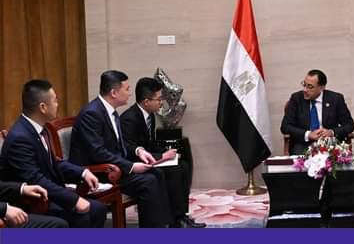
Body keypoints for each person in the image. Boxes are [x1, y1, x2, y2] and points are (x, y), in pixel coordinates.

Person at [70, 70, 172, 228]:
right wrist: (130, 166)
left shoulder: (110, 111)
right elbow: (97, 152)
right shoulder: (92, 114)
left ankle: (165, 225)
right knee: (148, 181)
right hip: (99, 173)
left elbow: (119, 144)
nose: (130, 93)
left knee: (157, 173)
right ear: (114, 93)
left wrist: (139, 151)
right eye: (127, 89)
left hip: (115, 166)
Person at [0, 80, 107, 227]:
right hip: (34, 202)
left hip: (48, 193)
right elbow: (35, 178)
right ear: (43, 107)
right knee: (86, 212)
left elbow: (52, 162)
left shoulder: (39, 129)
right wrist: (74, 200)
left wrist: (82, 172)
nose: (57, 105)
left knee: (97, 209)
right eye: (55, 100)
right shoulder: (20, 137)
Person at [120, 77, 204, 228]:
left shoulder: (150, 115)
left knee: (183, 165)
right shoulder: (129, 119)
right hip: (135, 164)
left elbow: (150, 143)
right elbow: (129, 150)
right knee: (174, 170)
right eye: (159, 99)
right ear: (146, 101)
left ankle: (180, 216)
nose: (161, 103)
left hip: (149, 158)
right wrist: (161, 157)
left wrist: (167, 153)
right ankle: (174, 220)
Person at [280, 69, 354, 155]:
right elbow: (285, 126)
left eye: (310, 87)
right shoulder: (296, 99)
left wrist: (331, 132)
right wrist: (308, 134)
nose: (305, 90)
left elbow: (349, 125)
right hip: (303, 145)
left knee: (335, 158)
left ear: (321, 87)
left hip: (330, 144)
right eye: (304, 85)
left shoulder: (336, 99)